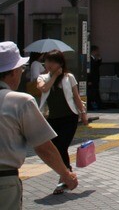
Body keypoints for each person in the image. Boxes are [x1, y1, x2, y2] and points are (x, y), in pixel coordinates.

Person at [0, 42, 78, 207]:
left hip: (67, 117)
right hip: (4, 182)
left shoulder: (68, 77)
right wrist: (66, 175)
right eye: (21, 69)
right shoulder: (20, 101)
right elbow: (43, 147)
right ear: (14, 72)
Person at [35, 50, 89, 195]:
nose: (50, 64)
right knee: (58, 148)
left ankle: (64, 177)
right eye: (47, 61)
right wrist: (54, 76)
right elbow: (43, 88)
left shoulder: (69, 77)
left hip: (69, 117)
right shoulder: (42, 78)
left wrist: (83, 114)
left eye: (53, 61)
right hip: (52, 119)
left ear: (61, 63)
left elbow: (76, 97)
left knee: (61, 146)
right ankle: (67, 174)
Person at [87, 46, 102, 110]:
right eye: (97, 51)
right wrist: (89, 80)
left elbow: (96, 66)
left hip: (94, 79)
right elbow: (90, 70)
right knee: (92, 93)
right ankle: (93, 105)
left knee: (94, 92)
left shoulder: (93, 59)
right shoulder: (89, 59)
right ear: (94, 51)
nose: (98, 52)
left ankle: (98, 105)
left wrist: (99, 59)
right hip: (92, 79)